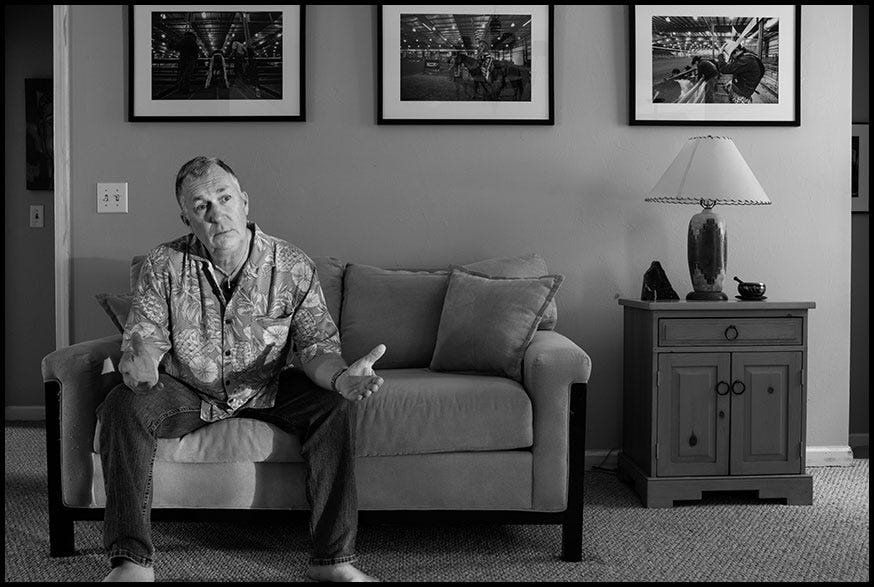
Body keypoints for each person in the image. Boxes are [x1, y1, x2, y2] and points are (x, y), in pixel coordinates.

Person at [98, 156, 385, 582]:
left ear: (245, 202)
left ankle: (334, 562)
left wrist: (341, 378)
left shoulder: (292, 265)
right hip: (188, 389)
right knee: (123, 404)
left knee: (333, 405)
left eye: (225, 198)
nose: (217, 214)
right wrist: (140, 369)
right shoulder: (162, 264)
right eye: (201, 206)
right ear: (186, 218)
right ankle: (131, 563)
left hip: (267, 386)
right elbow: (146, 342)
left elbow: (315, 349)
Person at [176, 30, 199, 95]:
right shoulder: (193, 41)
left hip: (182, 59)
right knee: (187, 75)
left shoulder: (182, 40)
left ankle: (180, 88)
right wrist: (195, 59)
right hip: (190, 60)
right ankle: (186, 89)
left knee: (181, 74)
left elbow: (177, 47)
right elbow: (196, 51)